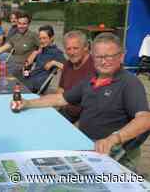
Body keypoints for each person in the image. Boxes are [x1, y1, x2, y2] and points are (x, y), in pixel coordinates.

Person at [11, 33, 150, 171]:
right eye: (99, 57)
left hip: (114, 153)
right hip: (86, 145)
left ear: (121, 56)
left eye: (109, 56)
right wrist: (28, 103)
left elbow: (145, 119)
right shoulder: (91, 79)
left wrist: (113, 139)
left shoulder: (130, 82)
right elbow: (61, 98)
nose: (103, 61)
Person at [54, 31, 96, 123]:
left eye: (75, 48)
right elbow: (61, 89)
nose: (72, 52)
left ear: (85, 47)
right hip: (66, 112)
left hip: (85, 118)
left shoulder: (95, 67)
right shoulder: (67, 65)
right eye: (68, 49)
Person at [24, 25, 65, 93]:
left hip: (37, 84)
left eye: (44, 38)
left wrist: (53, 62)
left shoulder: (57, 52)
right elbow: (27, 63)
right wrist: (36, 53)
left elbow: (67, 68)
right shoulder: (41, 50)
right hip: (30, 78)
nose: (42, 41)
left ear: (51, 38)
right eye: (40, 38)